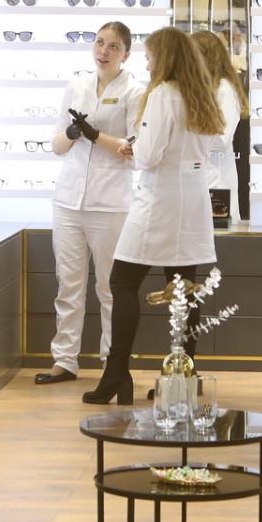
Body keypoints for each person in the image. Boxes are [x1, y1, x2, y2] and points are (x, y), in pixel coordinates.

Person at [83, 27, 226, 406]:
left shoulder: (163, 94)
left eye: (149, 57)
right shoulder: (201, 95)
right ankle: (183, 377)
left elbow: (149, 156)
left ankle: (116, 373)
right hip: (192, 200)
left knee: (122, 282)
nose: (147, 64)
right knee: (183, 289)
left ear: (164, 58)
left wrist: (134, 148)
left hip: (159, 201)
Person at [36, 22, 145, 386]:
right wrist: (71, 133)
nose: (104, 51)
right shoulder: (77, 86)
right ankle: (64, 360)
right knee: (68, 284)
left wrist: (95, 135)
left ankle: (112, 363)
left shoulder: (135, 91)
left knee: (110, 288)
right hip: (68, 200)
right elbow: (56, 145)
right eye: (99, 43)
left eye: (113, 46)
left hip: (110, 203)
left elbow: (134, 149)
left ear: (126, 54)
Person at [191, 30, 245, 221]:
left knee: (218, 235)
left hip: (217, 182)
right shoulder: (199, 89)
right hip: (197, 181)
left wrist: (188, 134)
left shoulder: (225, 90)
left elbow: (221, 139)